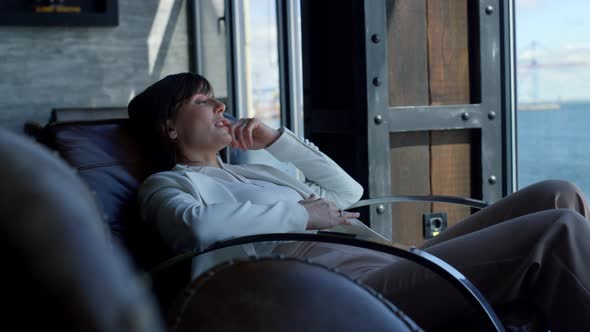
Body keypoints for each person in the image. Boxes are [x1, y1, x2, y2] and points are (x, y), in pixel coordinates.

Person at [129, 72, 590, 331]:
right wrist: (303, 214)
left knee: (557, 193)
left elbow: (349, 193)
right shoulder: (168, 186)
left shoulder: (255, 171)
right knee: (557, 231)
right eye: (204, 101)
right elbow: (197, 229)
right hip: (338, 284)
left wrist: (277, 141)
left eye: (218, 100)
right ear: (170, 127)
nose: (220, 109)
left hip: (389, 257)